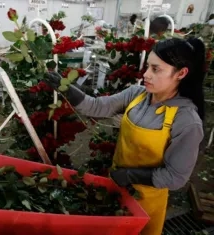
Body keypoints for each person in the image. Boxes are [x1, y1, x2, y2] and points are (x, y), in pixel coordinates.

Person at [46, 37, 205, 235]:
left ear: (181, 73)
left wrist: (131, 175)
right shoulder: (136, 95)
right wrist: (67, 89)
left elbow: (176, 177)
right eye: (148, 66)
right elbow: (97, 106)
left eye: (156, 69)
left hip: (145, 202)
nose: (146, 74)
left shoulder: (186, 121)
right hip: (116, 187)